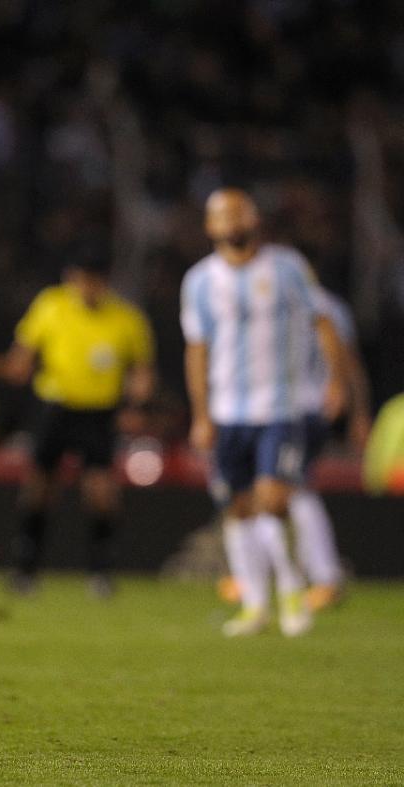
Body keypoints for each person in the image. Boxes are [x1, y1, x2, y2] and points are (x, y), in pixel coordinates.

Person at [181, 188, 347, 637]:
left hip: (281, 407)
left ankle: (292, 590)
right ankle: (255, 604)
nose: (233, 222)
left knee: (274, 500)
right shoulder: (199, 281)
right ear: (210, 227)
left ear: (254, 220)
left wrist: (336, 379)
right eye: (223, 216)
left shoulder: (286, 267)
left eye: (240, 213)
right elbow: (197, 349)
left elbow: (323, 322)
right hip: (227, 410)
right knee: (237, 509)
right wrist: (200, 413)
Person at [0, 253, 155, 596]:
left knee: (100, 491)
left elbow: (142, 370)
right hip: (54, 408)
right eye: (82, 278)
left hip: (99, 413)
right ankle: (25, 568)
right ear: (71, 276)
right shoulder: (51, 305)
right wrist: (15, 367)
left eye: (94, 279)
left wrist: (138, 403)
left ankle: (100, 571)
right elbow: (23, 353)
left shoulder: (126, 318)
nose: (87, 287)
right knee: (40, 487)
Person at [292, 285, 371, 611]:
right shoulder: (332, 302)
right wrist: (359, 412)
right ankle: (294, 574)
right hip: (301, 406)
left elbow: (347, 361)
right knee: (281, 487)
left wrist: (359, 413)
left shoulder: (308, 301)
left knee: (295, 486)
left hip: (303, 406)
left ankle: (325, 576)